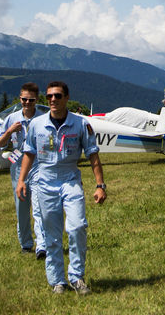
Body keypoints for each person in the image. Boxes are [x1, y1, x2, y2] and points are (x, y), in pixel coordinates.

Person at [16, 81, 106, 295]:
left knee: (76, 227)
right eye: (49, 97)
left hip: (70, 179)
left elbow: (93, 154)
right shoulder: (36, 125)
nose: (53, 100)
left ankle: (76, 277)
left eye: (57, 96)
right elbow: (29, 153)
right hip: (45, 181)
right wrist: (21, 180)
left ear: (66, 98)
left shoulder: (81, 124)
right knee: (51, 234)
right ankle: (57, 280)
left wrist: (100, 185)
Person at [0, 82, 45, 257]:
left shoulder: (43, 119)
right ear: (20, 98)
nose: (27, 103)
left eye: (31, 100)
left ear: (36, 100)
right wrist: (9, 132)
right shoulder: (11, 118)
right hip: (18, 165)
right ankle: (26, 244)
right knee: (21, 207)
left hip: (38, 165)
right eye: (24, 99)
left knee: (40, 205)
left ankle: (42, 244)